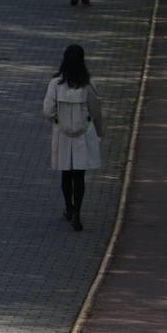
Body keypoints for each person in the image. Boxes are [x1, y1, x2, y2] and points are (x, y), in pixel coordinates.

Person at [43, 44, 104, 232]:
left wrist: (56, 120)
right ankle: (77, 211)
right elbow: (96, 110)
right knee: (79, 174)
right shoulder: (88, 84)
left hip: (63, 133)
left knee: (65, 172)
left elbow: (47, 110)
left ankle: (68, 208)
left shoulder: (55, 83)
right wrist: (99, 131)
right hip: (83, 133)